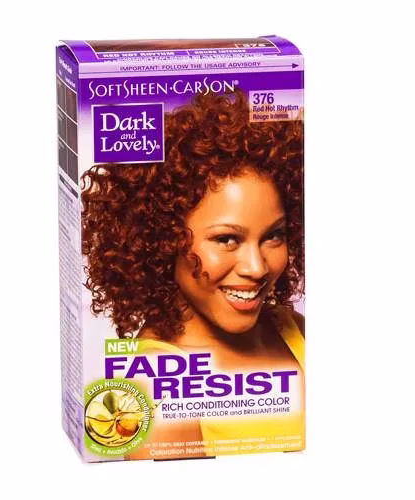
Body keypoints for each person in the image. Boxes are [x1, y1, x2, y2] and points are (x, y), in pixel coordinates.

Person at [81, 90, 304, 456]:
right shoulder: (154, 390)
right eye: (227, 239)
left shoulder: (292, 328)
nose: (257, 267)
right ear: (163, 239)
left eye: (273, 236)